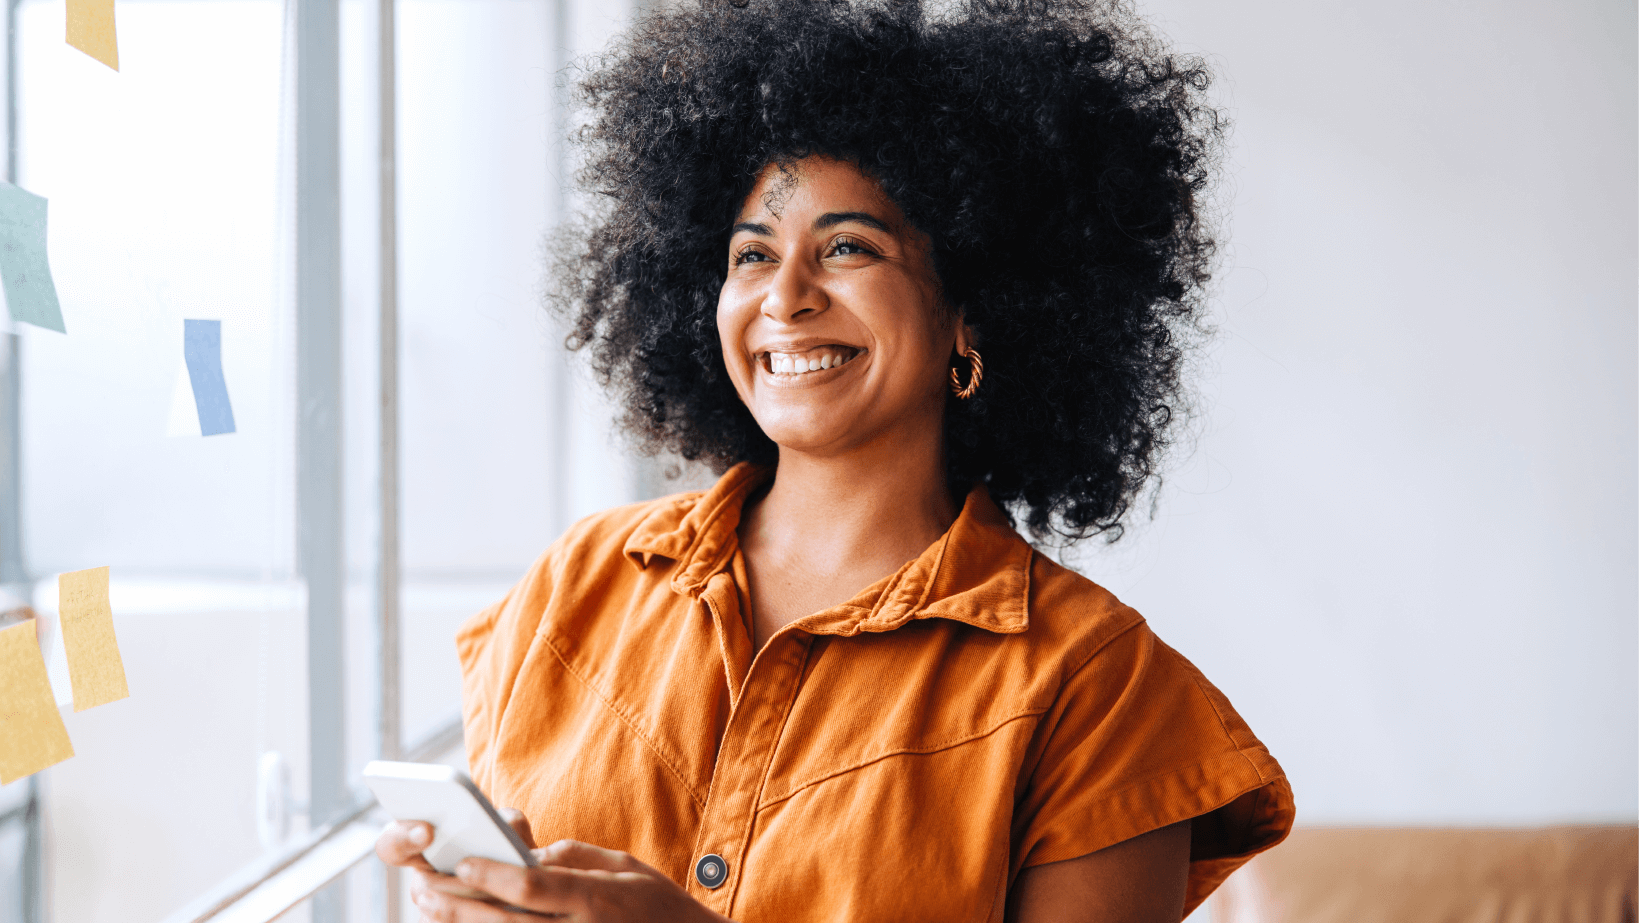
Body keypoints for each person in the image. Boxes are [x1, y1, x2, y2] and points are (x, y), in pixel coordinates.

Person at [376, 1, 1294, 919]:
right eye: (751, 254)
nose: (785, 297)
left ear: (974, 307)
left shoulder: (1097, 688)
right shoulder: (578, 585)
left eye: (848, 247)